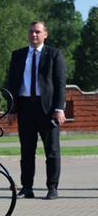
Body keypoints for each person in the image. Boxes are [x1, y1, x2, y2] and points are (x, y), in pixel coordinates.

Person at [6, 21, 67, 200]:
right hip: (25, 107)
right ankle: (27, 187)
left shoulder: (54, 54)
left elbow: (60, 84)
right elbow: (12, 84)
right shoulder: (18, 55)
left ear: (45, 35)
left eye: (38, 32)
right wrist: (12, 109)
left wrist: (59, 108)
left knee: (52, 150)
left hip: (47, 109)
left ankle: (52, 187)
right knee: (26, 150)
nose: (34, 35)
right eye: (31, 31)